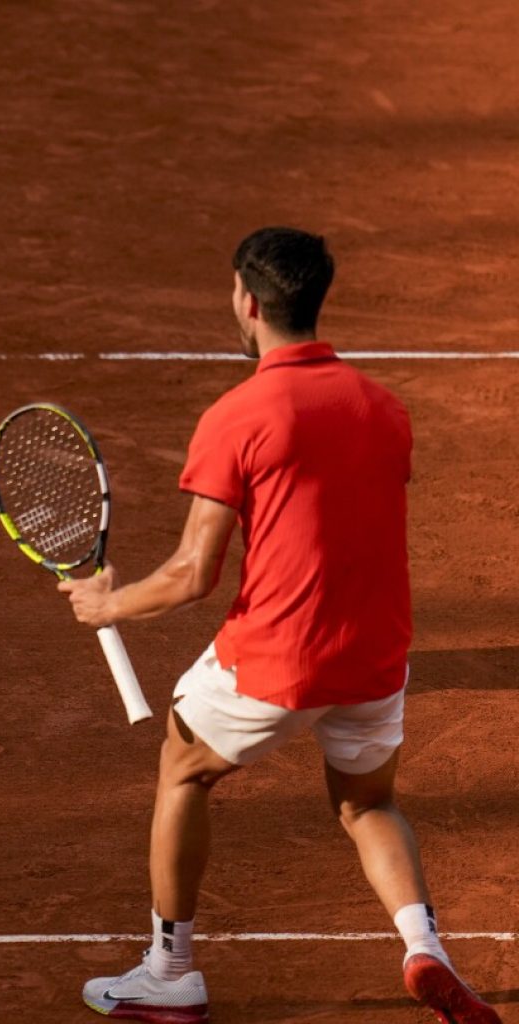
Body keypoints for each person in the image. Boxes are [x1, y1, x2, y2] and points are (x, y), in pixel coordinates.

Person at [59, 228, 501, 1024]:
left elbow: (195, 575)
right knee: (367, 804)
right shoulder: (384, 407)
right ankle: (425, 948)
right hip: (374, 654)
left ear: (248, 302)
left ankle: (171, 971)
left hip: (279, 657)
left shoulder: (239, 415)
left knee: (184, 767)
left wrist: (107, 605)